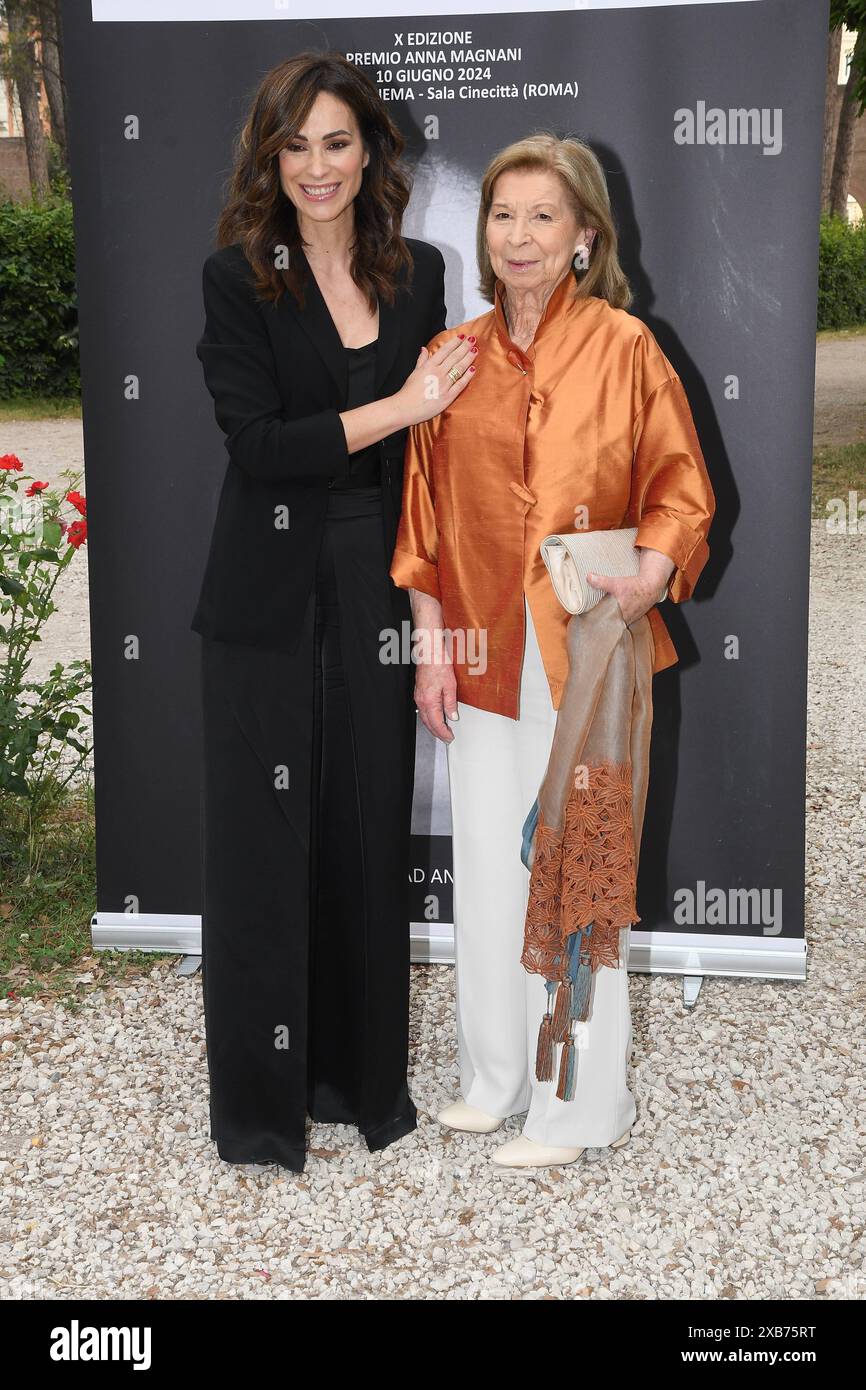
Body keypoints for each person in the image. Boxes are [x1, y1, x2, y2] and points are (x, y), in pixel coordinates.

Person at [390, 133, 715, 1169]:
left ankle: (579, 1105)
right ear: (480, 233)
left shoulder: (625, 347)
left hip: (592, 647)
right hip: (483, 654)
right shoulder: (449, 362)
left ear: (584, 235)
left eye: (542, 216)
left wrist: (654, 570)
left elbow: (681, 491)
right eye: (501, 214)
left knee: (579, 874)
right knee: (487, 868)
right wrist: (433, 653)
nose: (518, 236)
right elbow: (423, 522)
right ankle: (493, 1078)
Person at [192, 53, 475, 1172]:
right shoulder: (237, 276)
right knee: (265, 845)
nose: (317, 166)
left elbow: (430, 469)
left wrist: (432, 631)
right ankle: (263, 1107)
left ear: (371, 151)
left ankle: (364, 1085)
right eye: (294, 144)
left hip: (376, 574)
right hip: (265, 587)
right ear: (270, 154)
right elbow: (257, 446)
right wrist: (401, 401)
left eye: (337, 142)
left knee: (364, 828)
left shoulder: (417, 274)